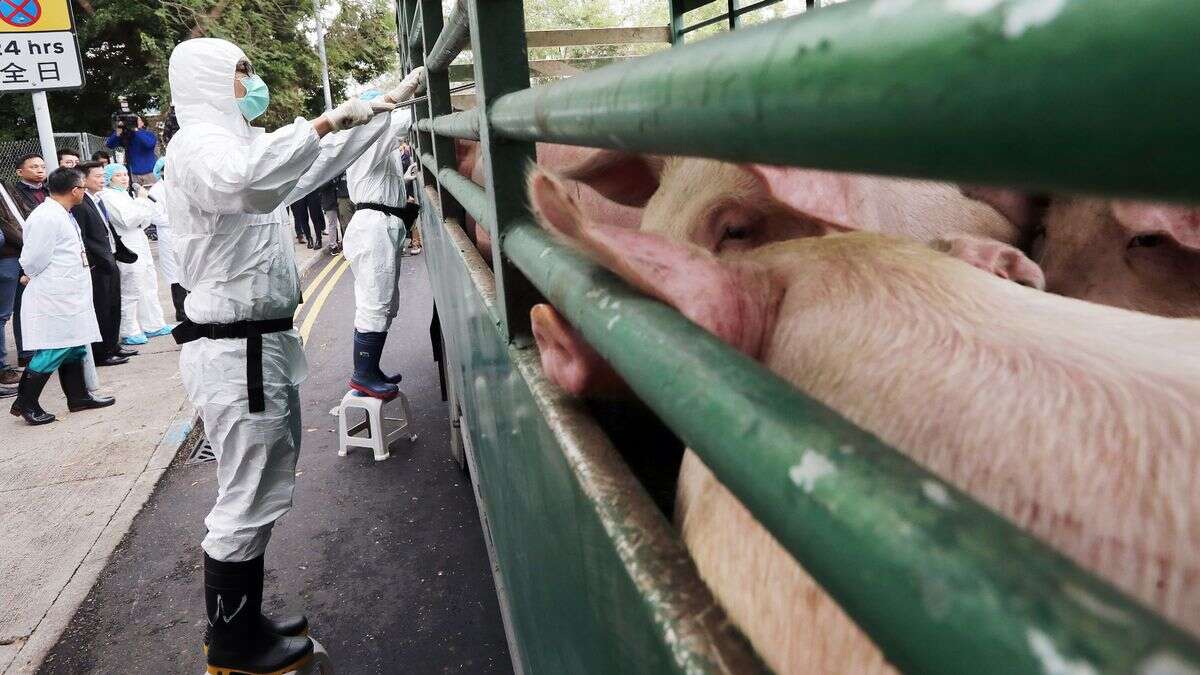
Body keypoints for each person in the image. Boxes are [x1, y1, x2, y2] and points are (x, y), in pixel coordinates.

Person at [166, 37, 415, 673]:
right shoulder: (199, 148)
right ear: (207, 81)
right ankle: (233, 643)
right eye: (240, 73)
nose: (252, 83)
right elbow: (248, 182)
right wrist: (328, 118)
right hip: (236, 351)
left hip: (258, 346)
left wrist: (380, 112)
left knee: (266, 483)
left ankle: (243, 620)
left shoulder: (240, 143)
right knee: (248, 493)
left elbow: (310, 166)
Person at [9, 167, 115, 425]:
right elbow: (33, 258)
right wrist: (29, 273)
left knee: (76, 345)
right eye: (82, 187)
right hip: (54, 294)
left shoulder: (62, 213)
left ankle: (78, 397)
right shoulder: (47, 216)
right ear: (75, 190)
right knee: (55, 348)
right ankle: (25, 403)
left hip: (69, 293)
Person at [342, 89, 424, 400]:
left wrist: (403, 181)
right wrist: (412, 94)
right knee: (374, 301)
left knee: (385, 301)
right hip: (372, 227)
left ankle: (371, 368)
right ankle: (362, 373)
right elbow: (400, 124)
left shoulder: (381, 147)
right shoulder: (366, 138)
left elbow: (380, 182)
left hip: (382, 223)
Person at [74, 160, 136, 366]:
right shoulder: (81, 205)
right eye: (98, 176)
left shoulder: (97, 200)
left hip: (110, 258)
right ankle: (102, 352)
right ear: (84, 179)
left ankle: (113, 344)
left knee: (113, 304)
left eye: (103, 176)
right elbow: (82, 237)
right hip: (97, 264)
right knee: (101, 307)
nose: (103, 180)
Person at [101, 163, 170, 345]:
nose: (124, 178)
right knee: (131, 287)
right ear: (109, 179)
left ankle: (154, 324)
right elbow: (128, 220)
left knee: (149, 283)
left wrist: (142, 207)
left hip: (140, 239)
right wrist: (141, 203)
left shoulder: (125, 195)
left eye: (125, 174)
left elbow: (145, 219)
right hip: (127, 243)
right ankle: (129, 330)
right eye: (118, 176)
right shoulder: (107, 196)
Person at [147, 157, 187, 322]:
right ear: (161, 171)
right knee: (174, 275)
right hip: (169, 235)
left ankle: (193, 308)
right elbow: (156, 217)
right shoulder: (156, 191)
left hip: (186, 233)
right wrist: (179, 218)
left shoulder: (182, 185)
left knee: (189, 270)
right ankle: (181, 311)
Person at [0, 186, 23, 394]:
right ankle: (2, 368)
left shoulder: (6, 185)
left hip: (15, 254)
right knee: (1, 316)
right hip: (6, 256)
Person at [106, 116, 159, 186]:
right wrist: (119, 129)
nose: (134, 122)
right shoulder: (127, 136)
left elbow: (149, 144)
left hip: (150, 172)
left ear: (142, 123)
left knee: (153, 194)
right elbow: (110, 145)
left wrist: (136, 130)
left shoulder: (148, 134)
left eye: (137, 120)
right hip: (133, 174)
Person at [319, 178, 343, 254]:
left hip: (340, 200)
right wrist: (331, 180)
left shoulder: (338, 174)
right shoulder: (324, 176)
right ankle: (333, 246)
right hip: (329, 203)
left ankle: (343, 242)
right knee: (332, 225)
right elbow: (320, 188)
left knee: (343, 223)